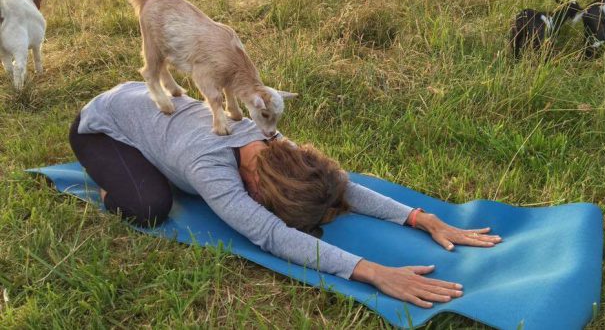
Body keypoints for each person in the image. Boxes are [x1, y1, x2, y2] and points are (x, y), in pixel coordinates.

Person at [69, 82, 501, 308]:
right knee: (149, 207)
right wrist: (374, 272)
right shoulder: (210, 167)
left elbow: (341, 186)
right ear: (255, 188)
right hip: (104, 124)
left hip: (151, 104)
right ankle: (108, 179)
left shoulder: (273, 138)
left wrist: (419, 218)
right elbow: (273, 236)